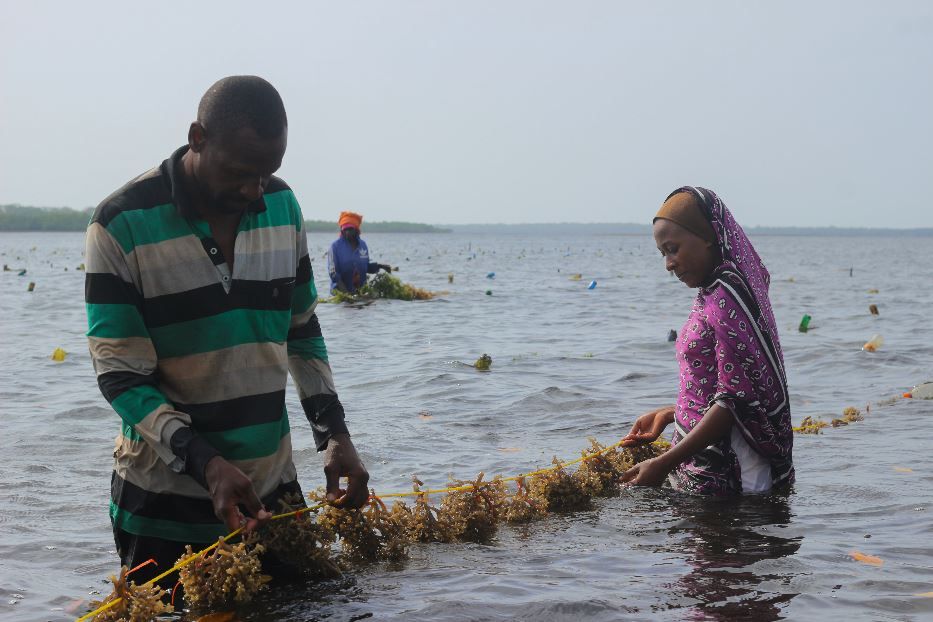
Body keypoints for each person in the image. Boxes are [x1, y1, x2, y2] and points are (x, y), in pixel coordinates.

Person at [84, 76, 369, 581]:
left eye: (267, 173)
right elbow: (121, 376)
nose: (254, 192)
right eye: (240, 173)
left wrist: (333, 432)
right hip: (163, 511)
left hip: (273, 497)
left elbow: (301, 330)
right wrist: (206, 462)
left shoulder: (282, 208)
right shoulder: (120, 224)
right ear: (198, 138)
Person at [620, 186, 794, 495]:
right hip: (711, 463)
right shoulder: (711, 292)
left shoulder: (727, 295)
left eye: (673, 249)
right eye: (663, 254)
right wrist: (669, 413)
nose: (669, 264)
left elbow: (736, 402)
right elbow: (717, 384)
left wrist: (662, 463)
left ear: (709, 236)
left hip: (736, 474)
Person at [327, 211, 393, 294]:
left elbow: (366, 267)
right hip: (341, 294)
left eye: (350, 229)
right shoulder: (335, 247)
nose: (347, 232)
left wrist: (380, 266)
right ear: (342, 230)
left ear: (356, 230)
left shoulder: (363, 245)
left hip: (360, 292)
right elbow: (333, 273)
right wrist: (346, 294)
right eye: (345, 229)